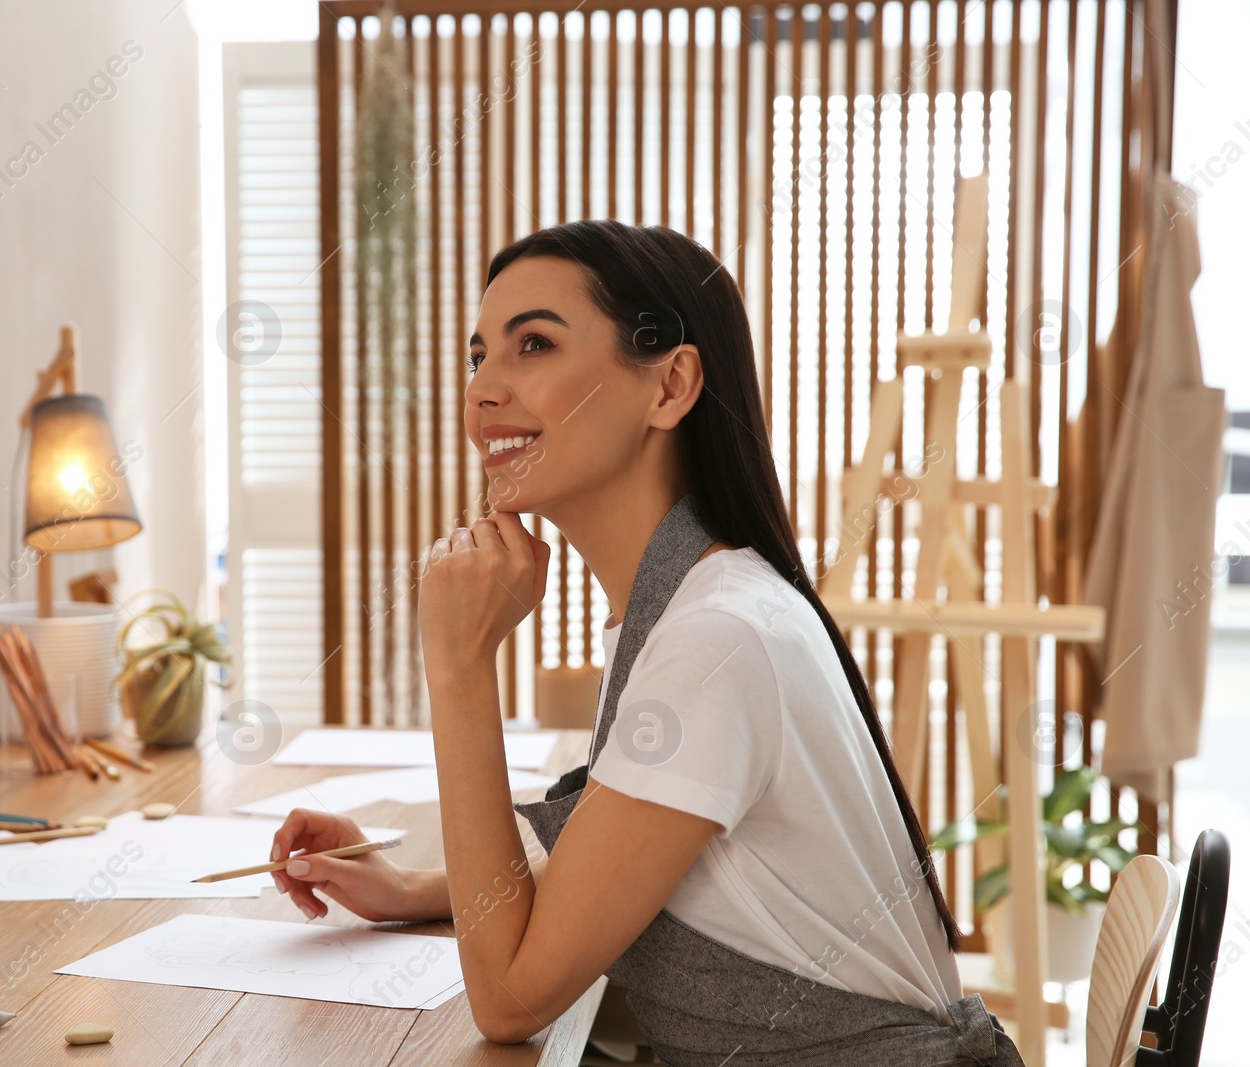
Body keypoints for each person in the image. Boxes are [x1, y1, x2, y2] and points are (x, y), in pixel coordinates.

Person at [269, 220, 1022, 1066]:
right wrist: (408, 889)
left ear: (671, 385)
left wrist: (458, 663)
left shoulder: (715, 640)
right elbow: (613, 871)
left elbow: (510, 996)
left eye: (534, 345)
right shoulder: (696, 602)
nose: (483, 389)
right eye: (480, 354)